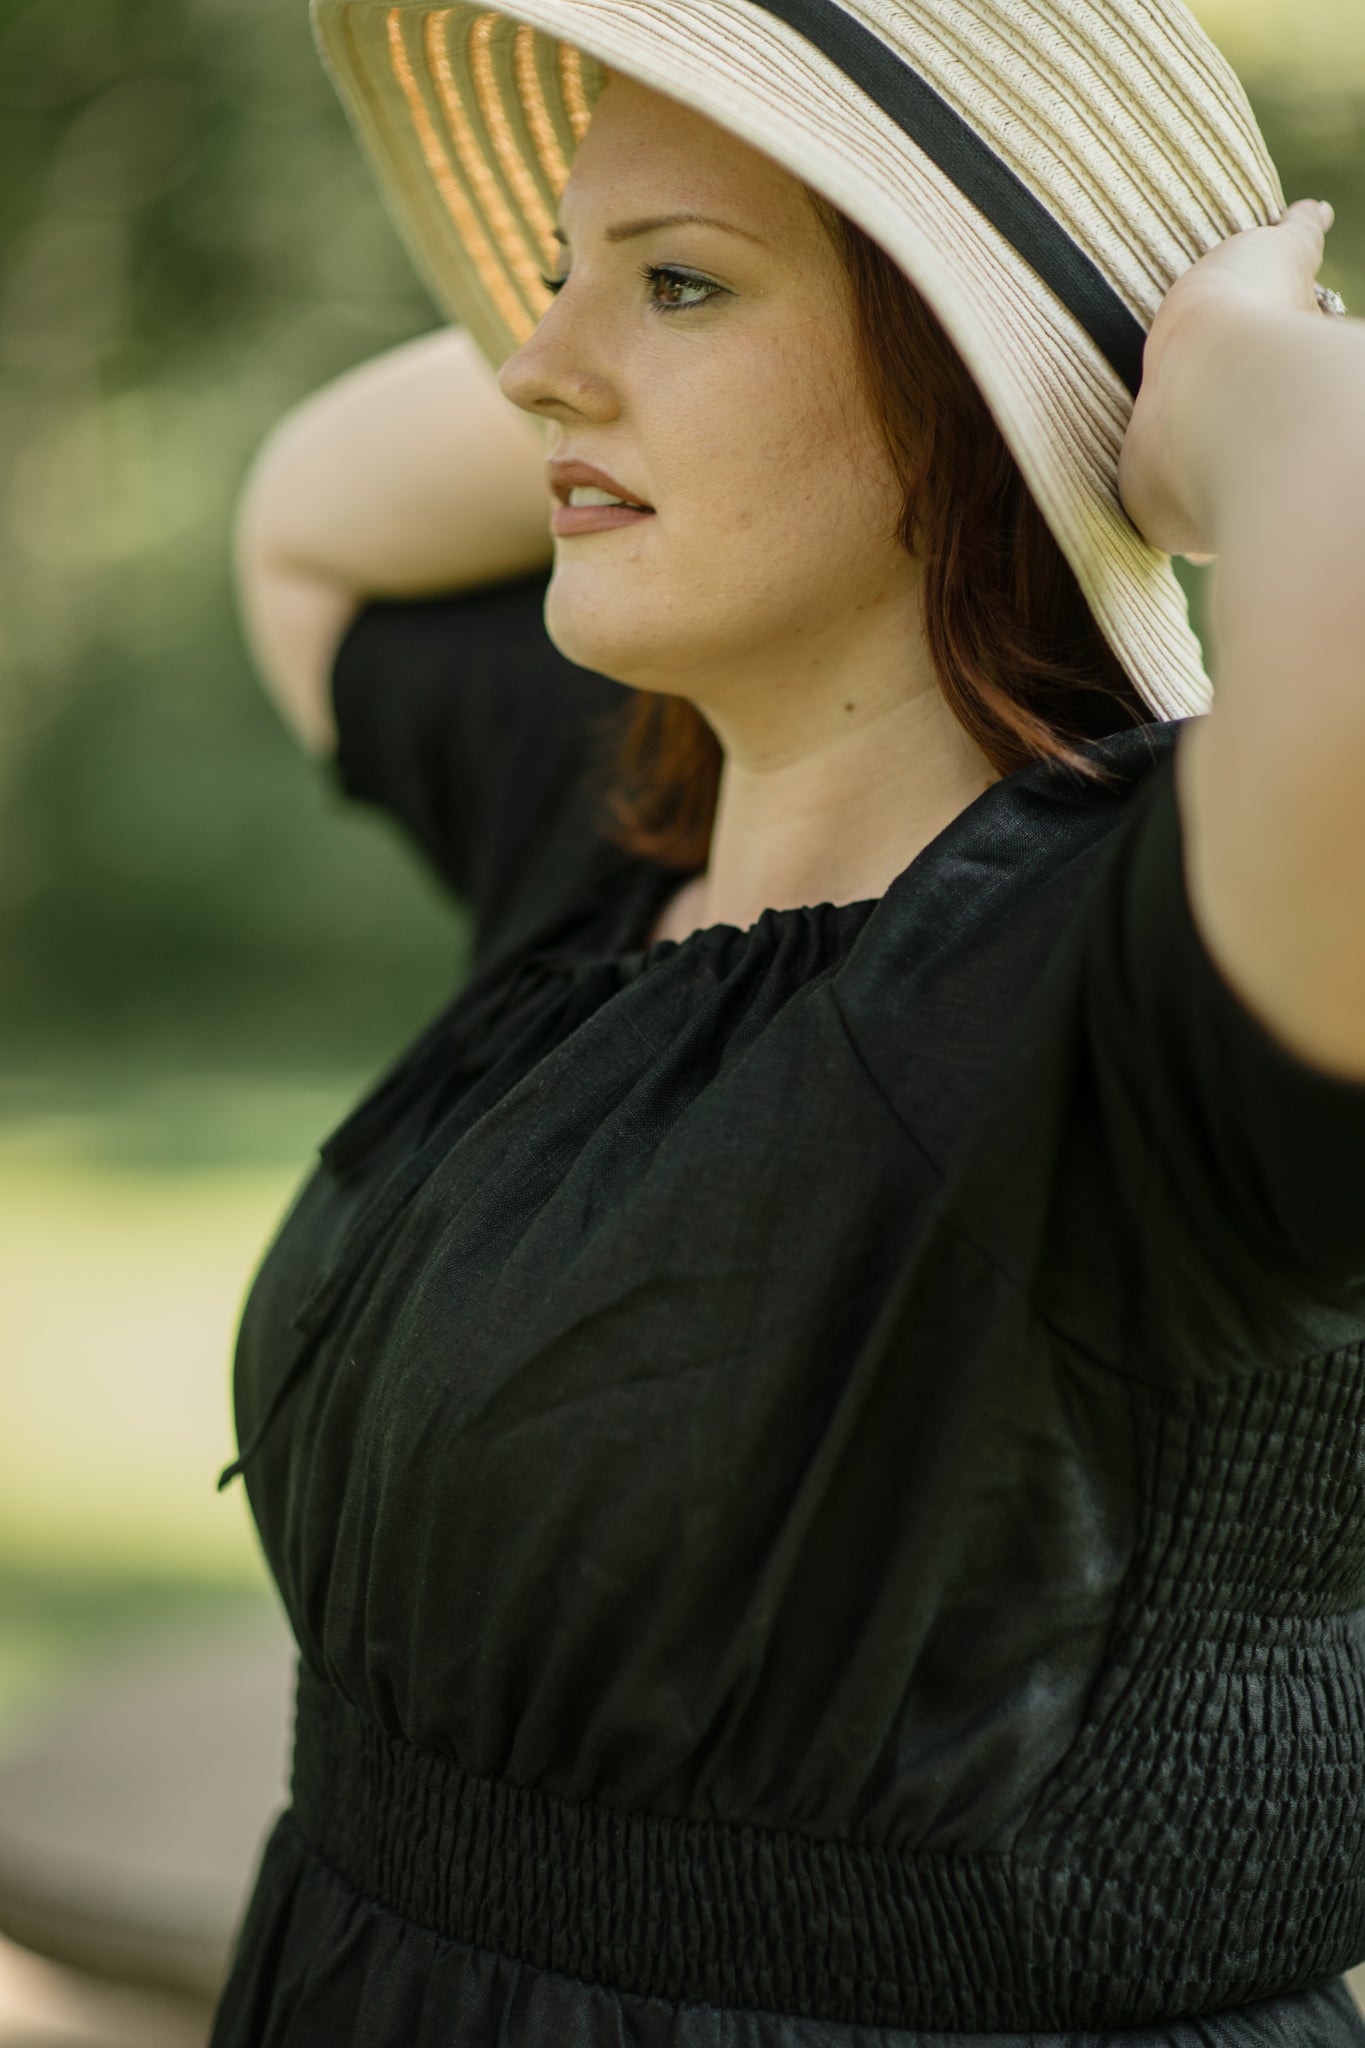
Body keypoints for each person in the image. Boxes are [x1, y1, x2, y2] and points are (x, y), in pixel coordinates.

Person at [211, 1, 1365, 2042]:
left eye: (676, 284)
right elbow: (307, 519)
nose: (530, 365)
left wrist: (1227, 378)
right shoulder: (606, 854)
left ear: (964, 378)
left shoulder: (1130, 967)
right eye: (562, 278)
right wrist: (649, 322)